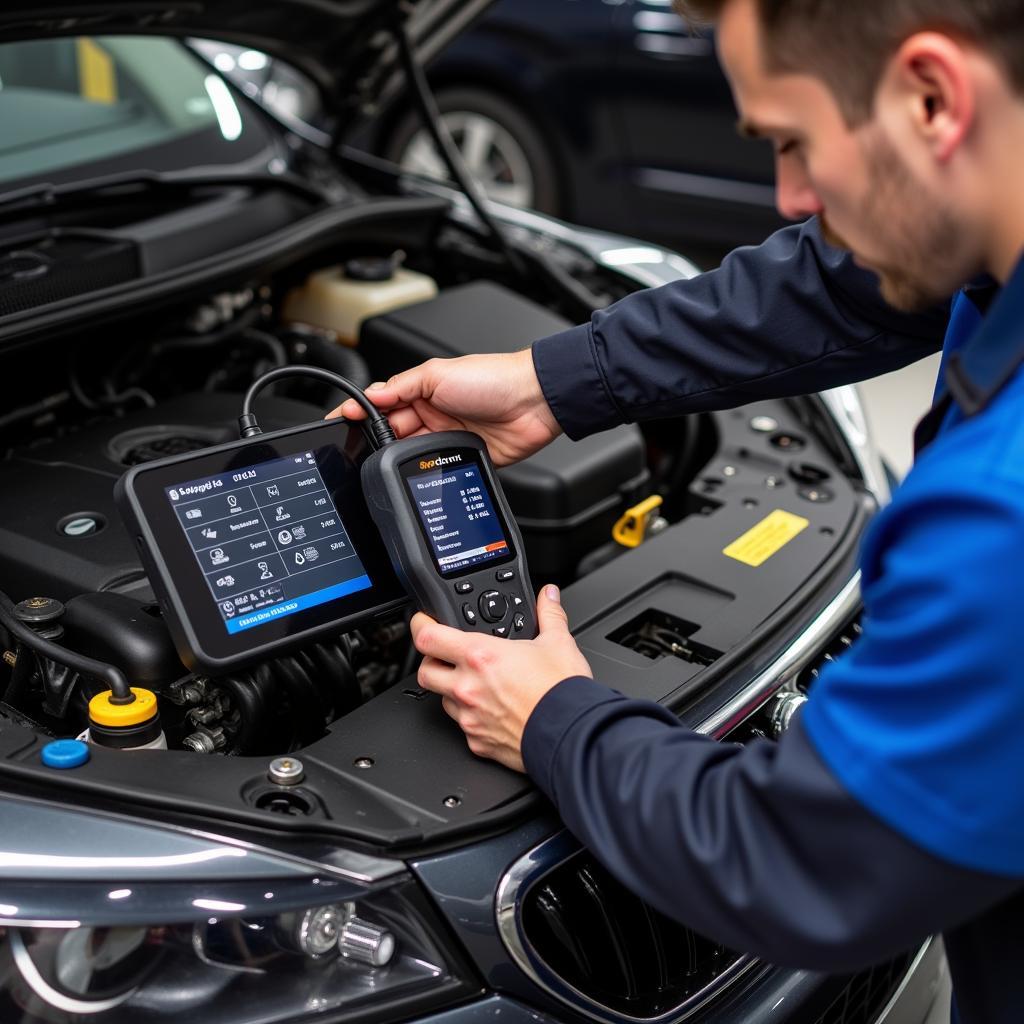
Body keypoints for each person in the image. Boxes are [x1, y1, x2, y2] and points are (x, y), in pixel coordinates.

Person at [333, 1, 1024, 1018]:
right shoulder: (984, 218)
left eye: (792, 142)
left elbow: (800, 860)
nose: (790, 197)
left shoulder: (996, 522)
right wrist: (551, 380)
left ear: (932, 96)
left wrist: (551, 718)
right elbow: (848, 287)